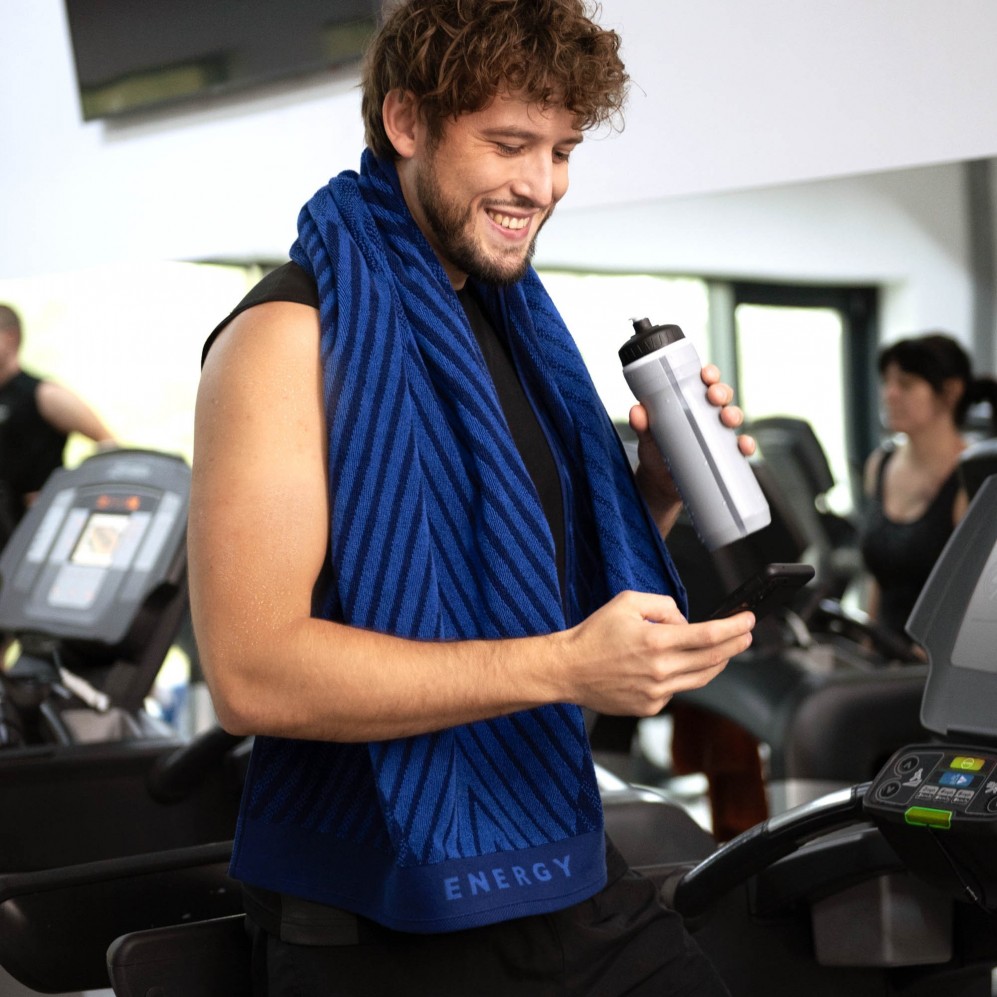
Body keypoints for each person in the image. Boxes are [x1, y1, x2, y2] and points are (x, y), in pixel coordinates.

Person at [188, 1, 757, 993]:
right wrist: (565, 666)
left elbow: (546, 590)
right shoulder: (285, 336)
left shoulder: (512, 326)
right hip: (379, 913)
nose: (540, 185)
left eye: (562, 151)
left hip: (556, 854)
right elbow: (253, 674)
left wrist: (653, 494)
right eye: (508, 144)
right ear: (407, 122)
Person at [859, 333, 997, 639]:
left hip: (934, 655)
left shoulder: (971, 480)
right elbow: (879, 579)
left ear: (950, 392)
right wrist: (868, 641)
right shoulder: (879, 464)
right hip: (884, 653)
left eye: (906, 384)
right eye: (887, 382)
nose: (889, 394)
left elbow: (979, 603)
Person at [0, 304, 115, 541]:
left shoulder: (43, 394)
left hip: (36, 531)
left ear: (11, 337)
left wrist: (68, 492)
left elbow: (109, 444)